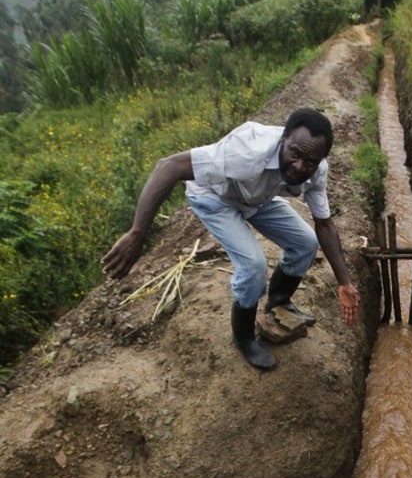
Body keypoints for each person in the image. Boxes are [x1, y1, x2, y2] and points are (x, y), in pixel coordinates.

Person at [101, 106, 360, 371]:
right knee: (253, 265)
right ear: (283, 139)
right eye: (295, 154)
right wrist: (137, 233)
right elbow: (169, 166)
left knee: (305, 243)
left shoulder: (317, 169)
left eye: (310, 161)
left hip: (257, 198)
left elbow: (324, 225)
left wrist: (344, 283)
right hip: (215, 197)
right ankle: (245, 338)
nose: (300, 166)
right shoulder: (247, 152)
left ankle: (279, 303)